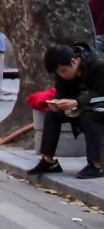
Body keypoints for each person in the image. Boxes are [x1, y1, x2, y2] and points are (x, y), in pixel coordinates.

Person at [27, 45, 104, 178]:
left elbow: (100, 93)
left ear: (74, 61)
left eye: (64, 71)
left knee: (88, 117)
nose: (63, 75)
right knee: (52, 114)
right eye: (59, 73)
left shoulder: (98, 65)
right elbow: (61, 90)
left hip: (98, 105)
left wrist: (77, 102)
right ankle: (48, 161)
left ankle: (95, 165)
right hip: (80, 106)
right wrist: (57, 102)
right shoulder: (63, 74)